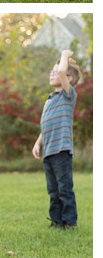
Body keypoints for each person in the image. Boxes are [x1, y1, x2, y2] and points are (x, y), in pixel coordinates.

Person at [32, 48, 80, 229]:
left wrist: (65, 55)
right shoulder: (50, 100)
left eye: (57, 71)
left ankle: (69, 221)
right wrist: (38, 143)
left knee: (64, 189)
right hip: (49, 151)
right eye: (52, 71)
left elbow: (61, 70)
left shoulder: (68, 95)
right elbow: (45, 126)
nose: (54, 74)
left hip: (61, 150)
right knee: (53, 190)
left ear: (68, 78)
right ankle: (56, 221)